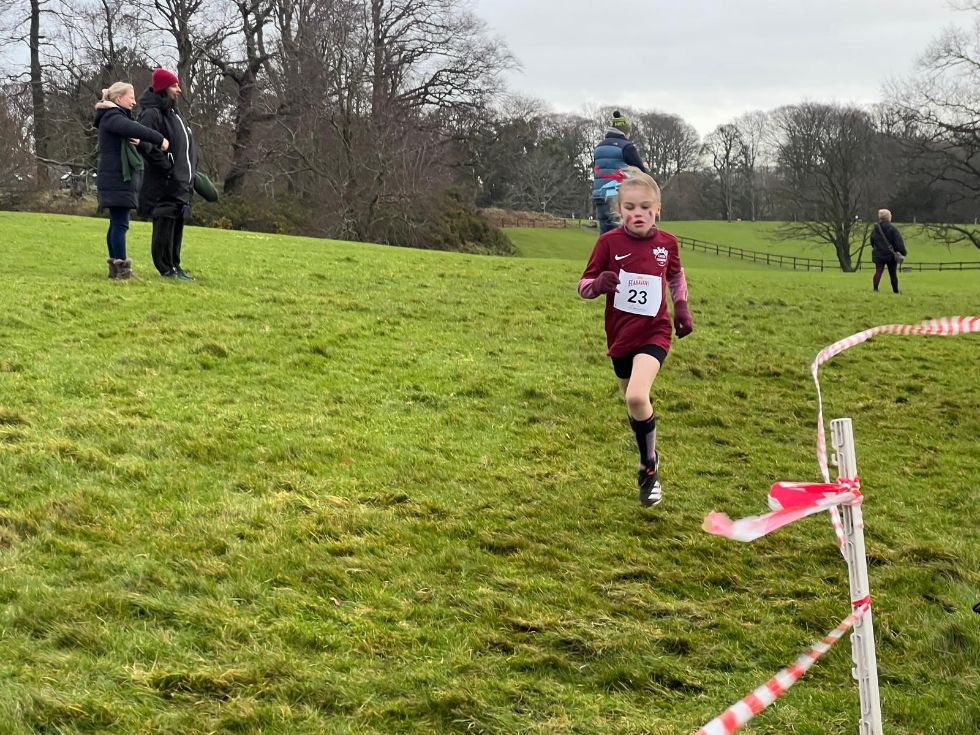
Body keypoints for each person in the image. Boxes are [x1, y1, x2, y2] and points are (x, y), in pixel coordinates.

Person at [578, 167, 693, 507]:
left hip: (655, 332)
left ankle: (648, 468)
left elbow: (676, 276)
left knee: (637, 396)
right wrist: (599, 284)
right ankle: (648, 453)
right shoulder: (608, 243)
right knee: (632, 403)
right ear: (619, 210)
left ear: (657, 209)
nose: (638, 213)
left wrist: (681, 307)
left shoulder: (667, 243)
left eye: (645, 207)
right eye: (630, 207)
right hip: (620, 336)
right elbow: (583, 285)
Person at [93, 82, 169, 279]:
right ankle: (123, 270)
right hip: (117, 178)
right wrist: (160, 139)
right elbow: (135, 128)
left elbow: (133, 131)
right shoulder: (112, 116)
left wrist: (142, 142)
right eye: (131, 97)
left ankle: (115, 269)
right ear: (119, 99)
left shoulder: (113, 117)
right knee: (120, 224)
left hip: (116, 178)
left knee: (116, 223)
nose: (135, 102)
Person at [137, 68, 198, 280]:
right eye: (174, 86)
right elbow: (145, 144)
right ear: (163, 88)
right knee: (164, 224)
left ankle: (175, 264)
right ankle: (165, 267)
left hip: (182, 182)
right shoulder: (151, 114)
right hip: (164, 182)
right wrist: (167, 167)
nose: (179, 90)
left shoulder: (175, 113)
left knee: (177, 224)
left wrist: (192, 174)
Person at [591, 110, 648, 235]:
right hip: (616, 196)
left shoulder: (599, 147)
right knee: (621, 236)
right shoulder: (627, 147)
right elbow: (641, 173)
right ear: (625, 131)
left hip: (599, 195)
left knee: (605, 236)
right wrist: (645, 167)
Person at [869, 209, 908, 294]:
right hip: (891, 255)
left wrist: (877, 248)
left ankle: (875, 289)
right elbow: (898, 242)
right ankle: (895, 290)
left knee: (878, 271)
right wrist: (903, 252)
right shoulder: (892, 229)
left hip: (878, 253)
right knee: (893, 273)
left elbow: (872, 241)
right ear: (889, 217)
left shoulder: (876, 229)